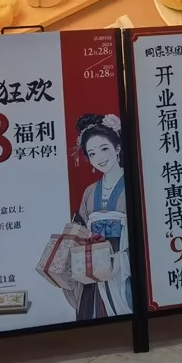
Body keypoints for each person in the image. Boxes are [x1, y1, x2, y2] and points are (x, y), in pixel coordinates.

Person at [61, 113, 132, 319]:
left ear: (117, 148)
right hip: (95, 269)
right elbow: (80, 228)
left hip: (125, 268)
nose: (99, 157)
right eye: (92, 153)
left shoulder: (134, 182)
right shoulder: (90, 191)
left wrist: (121, 259)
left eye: (104, 149)